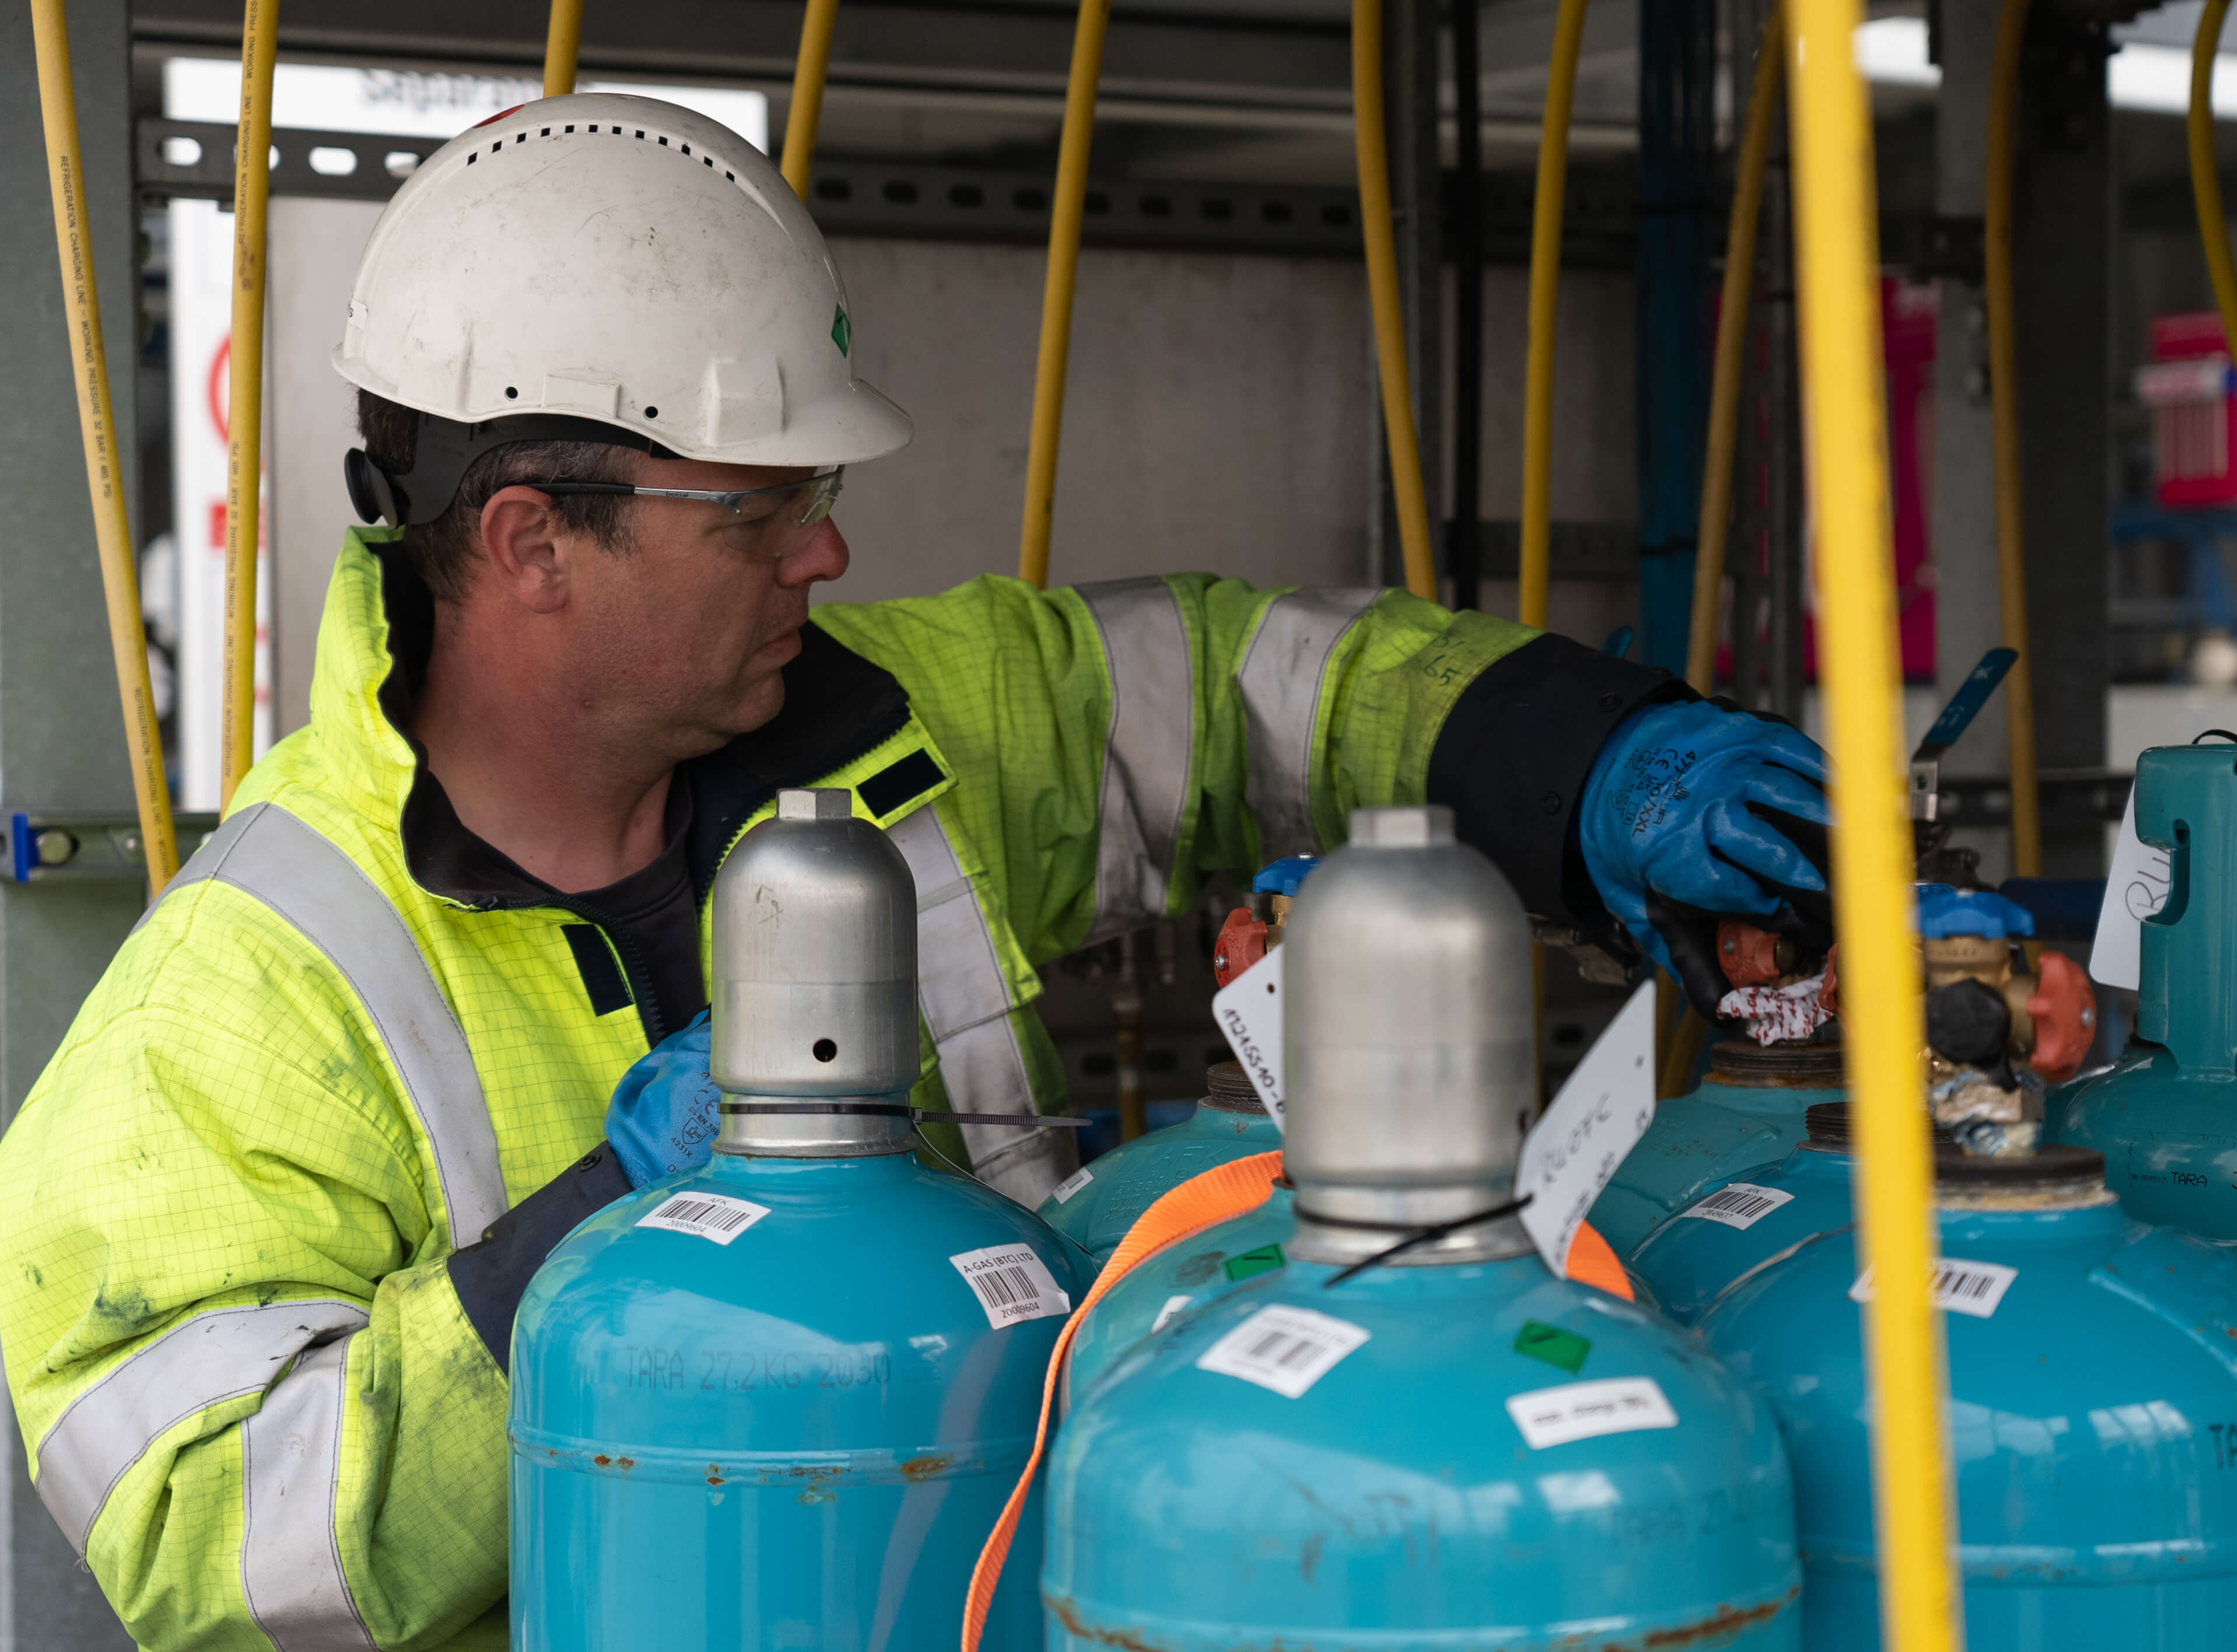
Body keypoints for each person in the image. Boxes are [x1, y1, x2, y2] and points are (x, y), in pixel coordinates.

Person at [0, 93, 1829, 1650]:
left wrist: (1593, 761)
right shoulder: (242, 996)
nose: (828, 549)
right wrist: (582, 1250)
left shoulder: (888, 724)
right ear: (530, 541)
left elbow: (1249, 679)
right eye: (764, 508)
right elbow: (208, 1539)